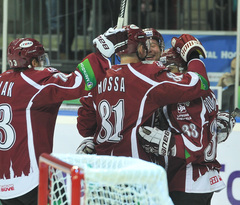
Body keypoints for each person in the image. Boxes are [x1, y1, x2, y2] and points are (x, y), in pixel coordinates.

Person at [0, 27, 128, 205]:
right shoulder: (36, 81)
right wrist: (101, 54)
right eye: (40, 59)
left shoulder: (2, 79)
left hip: (4, 185)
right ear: (33, 62)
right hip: (33, 179)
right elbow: (78, 83)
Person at [76, 24, 210, 161]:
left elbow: (84, 128)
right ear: (141, 49)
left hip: (103, 167)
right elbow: (200, 83)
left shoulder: (99, 77)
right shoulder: (149, 76)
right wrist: (193, 55)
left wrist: (95, 139)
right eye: (146, 45)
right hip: (136, 170)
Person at [138, 48, 236, 205]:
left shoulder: (183, 99)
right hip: (201, 181)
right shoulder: (206, 92)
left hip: (188, 180)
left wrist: (166, 142)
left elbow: (195, 142)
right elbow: (203, 130)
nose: (167, 75)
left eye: (170, 69)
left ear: (183, 69)